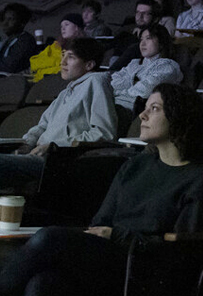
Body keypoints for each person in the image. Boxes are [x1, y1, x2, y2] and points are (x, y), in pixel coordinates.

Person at [0, 84, 203, 296]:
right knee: (44, 283)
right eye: (144, 108)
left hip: (151, 274)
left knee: (48, 238)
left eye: (154, 109)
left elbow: (182, 253)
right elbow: (100, 222)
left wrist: (119, 237)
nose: (142, 116)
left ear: (180, 117)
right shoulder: (135, 166)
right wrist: (110, 236)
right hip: (114, 263)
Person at [0, 38, 116, 192]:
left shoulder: (96, 83)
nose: (63, 62)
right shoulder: (65, 92)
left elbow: (104, 133)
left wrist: (55, 147)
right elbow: (42, 126)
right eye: (63, 55)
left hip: (57, 160)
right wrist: (27, 143)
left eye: (71, 57)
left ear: (89, 65)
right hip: (37, 154)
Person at [111, 24, 183, 133]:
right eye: (141, 39)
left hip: (134, 111)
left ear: (161, 42)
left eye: (148, 38)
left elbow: (143, 91)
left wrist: (117, 91)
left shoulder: (168, 66)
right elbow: (112, 82)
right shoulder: (134, 63)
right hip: (114, 104)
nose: (142, 44)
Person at [28, 13, 85, 83]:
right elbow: (34, 63)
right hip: (40, 81)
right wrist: (56, 62)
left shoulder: (83, 46)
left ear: (76, 27)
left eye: (67, 24)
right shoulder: (56, 45)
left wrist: (45, 68)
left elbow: (68, 70)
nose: (63, 29)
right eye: (61, 26)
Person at [109, 0, 158, 72]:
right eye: (138, 12)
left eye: (145, 13)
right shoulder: (126, 33)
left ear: (155, 18)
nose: (140, 16)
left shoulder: (157, 36)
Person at [0, 3, 37, 75]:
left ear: (21, 23)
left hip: (15, 81)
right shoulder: (7, 41)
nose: (5, 23)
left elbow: (9, 66)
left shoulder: (25, 40)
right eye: (4, 19)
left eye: (10, 19)